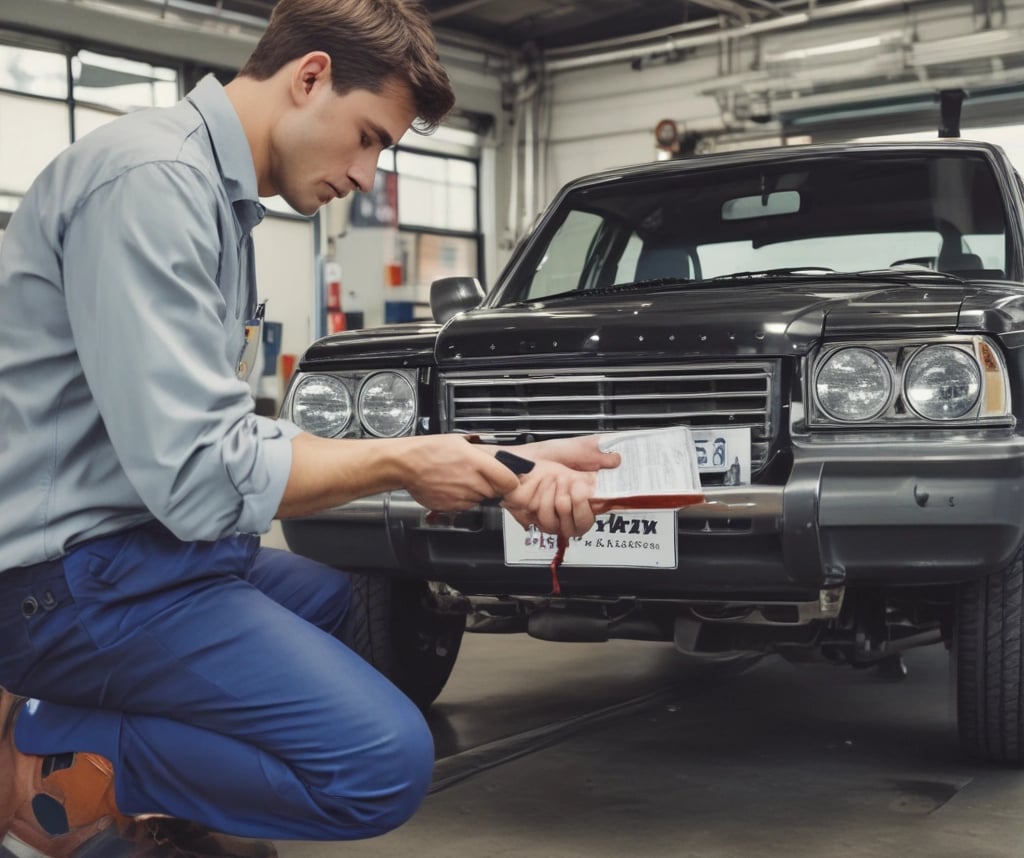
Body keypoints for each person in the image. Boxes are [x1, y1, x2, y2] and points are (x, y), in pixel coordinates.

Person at [0, 1, 620, 856]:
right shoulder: (150, 182)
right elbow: (197, 472)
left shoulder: (221, 204)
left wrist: (487, 458)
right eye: (369, 137)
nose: (368, 175)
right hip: (68, 583)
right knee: (380, 767)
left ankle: (147, 769)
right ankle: (50, 749)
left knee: (364, 619)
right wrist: (406, 460)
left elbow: (233, 438)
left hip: (151, 551)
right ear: (311, 76)